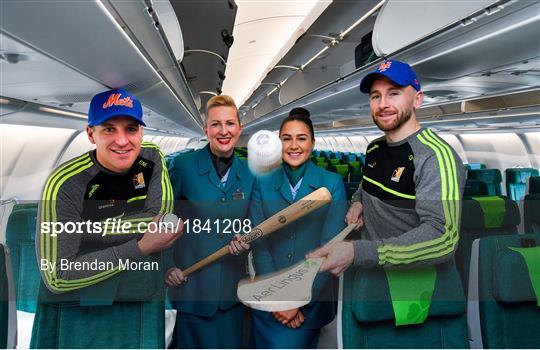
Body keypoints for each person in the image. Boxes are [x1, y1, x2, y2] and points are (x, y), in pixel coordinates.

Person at [32, 88, 182, 348]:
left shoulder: (151, 157)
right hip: (77, 307)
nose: (122, 141)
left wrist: (86, 231)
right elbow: (58, 275)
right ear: (91, 134)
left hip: (140, 289)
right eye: (109, 129)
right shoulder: (65, 184)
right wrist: (141, 246)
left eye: (131, 129)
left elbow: (161, 221)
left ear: (142, 132)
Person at [309, 60, 465, 273]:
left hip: (412, 288)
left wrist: (359, 252)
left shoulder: (434, 156)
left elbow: (442, 238)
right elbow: (366, 189)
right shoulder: (375, 148)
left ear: (417, 100)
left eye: (394, 93)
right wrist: (357, 203)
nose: (383, 104)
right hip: (369, 272)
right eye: (375, 96)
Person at [249, 108, 348, 349]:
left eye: (301, 138)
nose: (294, 146)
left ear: (312, 143)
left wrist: (295, 300)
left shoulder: (331, 183)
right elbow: (259, 244)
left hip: (310, 300)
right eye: (287, 138)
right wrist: (278, 300)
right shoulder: (262, 183)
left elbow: (329, 249)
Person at [165, 95, 253, 348]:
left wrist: (248, 241)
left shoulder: (250, 173)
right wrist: (168, 267)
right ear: (206, 130)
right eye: (216, 124)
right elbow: (163, 222)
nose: (223, 131)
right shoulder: (183, 166)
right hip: (192, 289)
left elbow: (255, 224)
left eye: (230, 123)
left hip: (231, 294)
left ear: (239, 129)